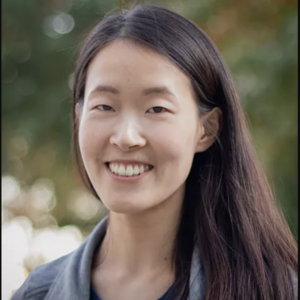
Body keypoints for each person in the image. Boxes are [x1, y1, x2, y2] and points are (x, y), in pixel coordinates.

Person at [11, 4, 298, 300]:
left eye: (157, 108)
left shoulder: (273, 290)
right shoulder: (38, 293)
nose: (126, 137)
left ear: (207, 129)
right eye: (104, 107)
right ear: (79, 116)